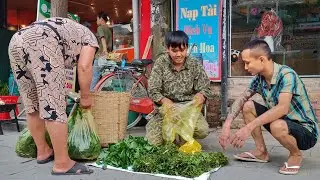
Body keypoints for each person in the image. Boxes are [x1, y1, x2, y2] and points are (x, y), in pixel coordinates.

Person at [8, 17, 98, 175]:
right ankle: (63, 163)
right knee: (53, 103)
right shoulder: (90, 38)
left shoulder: (69, 29)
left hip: (17, 40)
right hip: (42, 42)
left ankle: (43, 151)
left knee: (32, 103)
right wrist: (85, 96)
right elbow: (84, 67)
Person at [219, 39, 318, 175]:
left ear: (261, 59)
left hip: (306, 132)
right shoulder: (259, 78)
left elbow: (282, 108)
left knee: (277, 125)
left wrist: (248, 127)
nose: (246, 68)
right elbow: (242, 99)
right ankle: (261, 152)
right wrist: (227, 125)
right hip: (281, 122)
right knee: (248, 106)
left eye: (247, 63)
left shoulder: (287, 75)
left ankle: (296, 155)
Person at [145, 30, 213, 145]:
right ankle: (171, 134)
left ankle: (183, 135)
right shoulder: (161, 63)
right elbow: (153, 89)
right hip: (165, 110)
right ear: (168, 49)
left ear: (187, 48)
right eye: (174, 51)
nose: (179, 54)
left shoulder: (194, 63)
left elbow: (205, 87)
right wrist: (165, 101)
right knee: (152, 144)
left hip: (188, 109)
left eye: (182, 50)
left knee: (202, 130)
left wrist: (201, 95)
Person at [90, 11, 113, 90]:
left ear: (101, 19)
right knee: (105, 77)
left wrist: (105, 50)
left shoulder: (100, 28)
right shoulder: (109, 30)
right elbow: (110, 44)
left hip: (100, 55)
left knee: (95, 76)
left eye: (97, 19)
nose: (96, 21)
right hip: (107, 57)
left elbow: (102, 38)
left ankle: (91, 94)